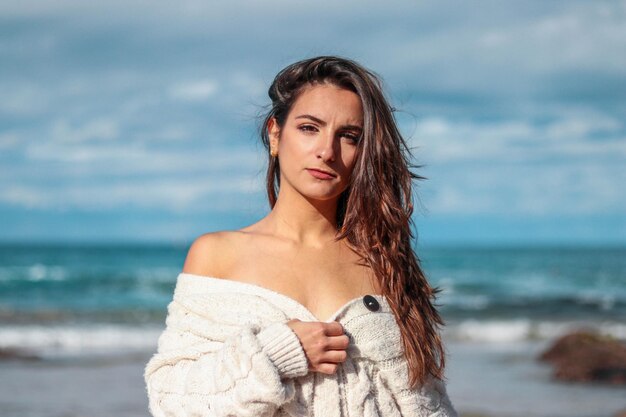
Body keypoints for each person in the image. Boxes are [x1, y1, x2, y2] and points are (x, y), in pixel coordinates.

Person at [144, 55, 458, 417]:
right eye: (310, 128)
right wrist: (277, 352)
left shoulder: (384, 261)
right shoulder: (218, 254)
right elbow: (171, 397)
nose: (327, 151)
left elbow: (427, 404)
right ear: (275, 133)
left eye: (349, 137)